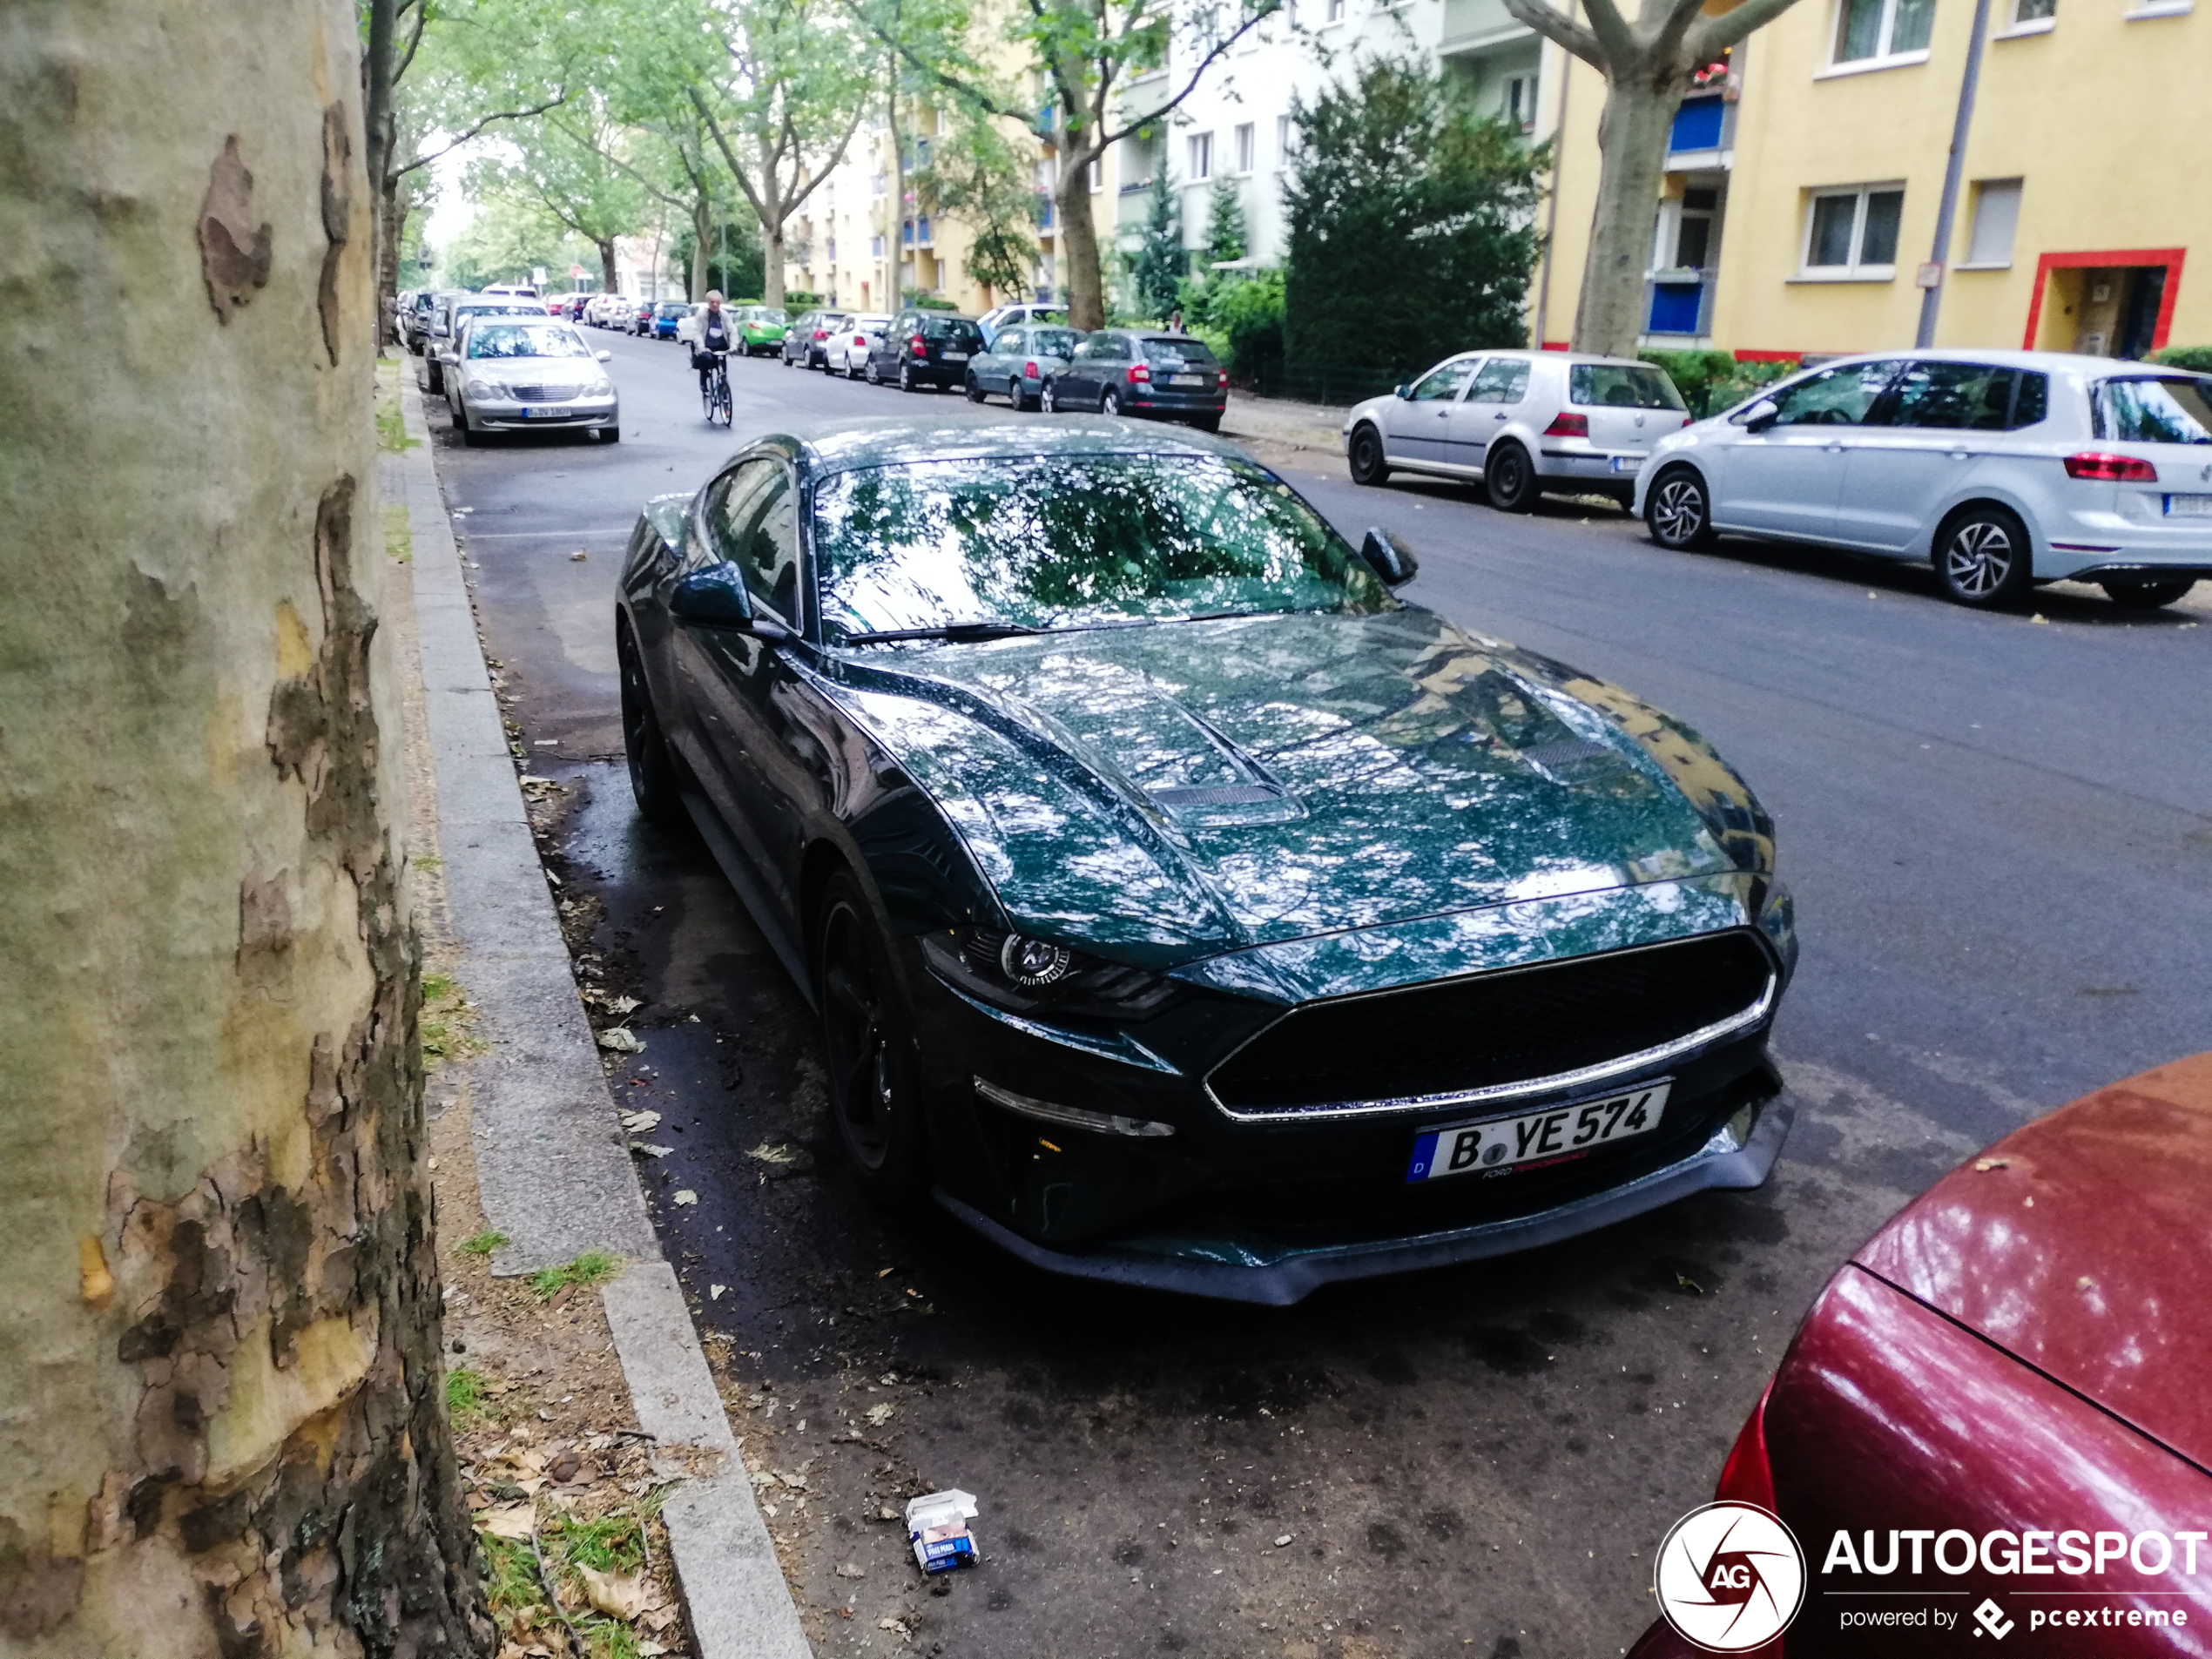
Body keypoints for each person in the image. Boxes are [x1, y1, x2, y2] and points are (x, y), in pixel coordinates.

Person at [695, 291, 735, 395]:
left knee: (722, 371)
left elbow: (732, 330)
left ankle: (724, 391)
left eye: (717, 302)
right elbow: (697, 332)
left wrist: (733, 346)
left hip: (721, 346)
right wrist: (701, 348)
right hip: (707, 346)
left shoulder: (724, 315)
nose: (715, 305)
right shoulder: (702, 315)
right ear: (708, 302)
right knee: (706, 363)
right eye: (712, 302)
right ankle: (704, 384)